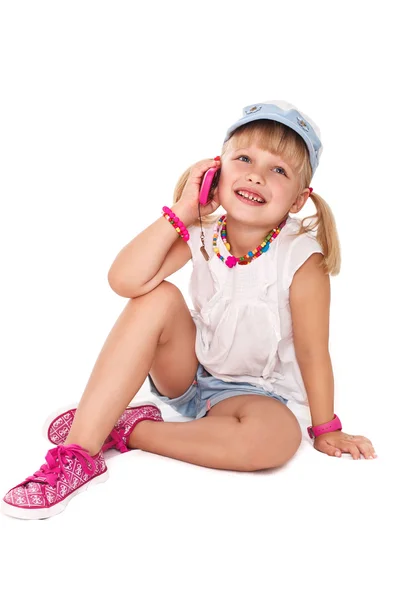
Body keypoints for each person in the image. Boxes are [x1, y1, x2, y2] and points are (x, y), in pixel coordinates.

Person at [2, 100, 377, 520]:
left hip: (258, 396)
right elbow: (124, 281)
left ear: (297, 200)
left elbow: (313, 351)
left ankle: (128, 428)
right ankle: (81, 451)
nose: (256, 174)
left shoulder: (301, 260)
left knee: (275, 441)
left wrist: (327, 429)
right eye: (244, 159)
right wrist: (182, 211)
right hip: (189, 375)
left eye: (278, 170)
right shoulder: (201, 233)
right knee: (155, 296)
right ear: (216, 170)